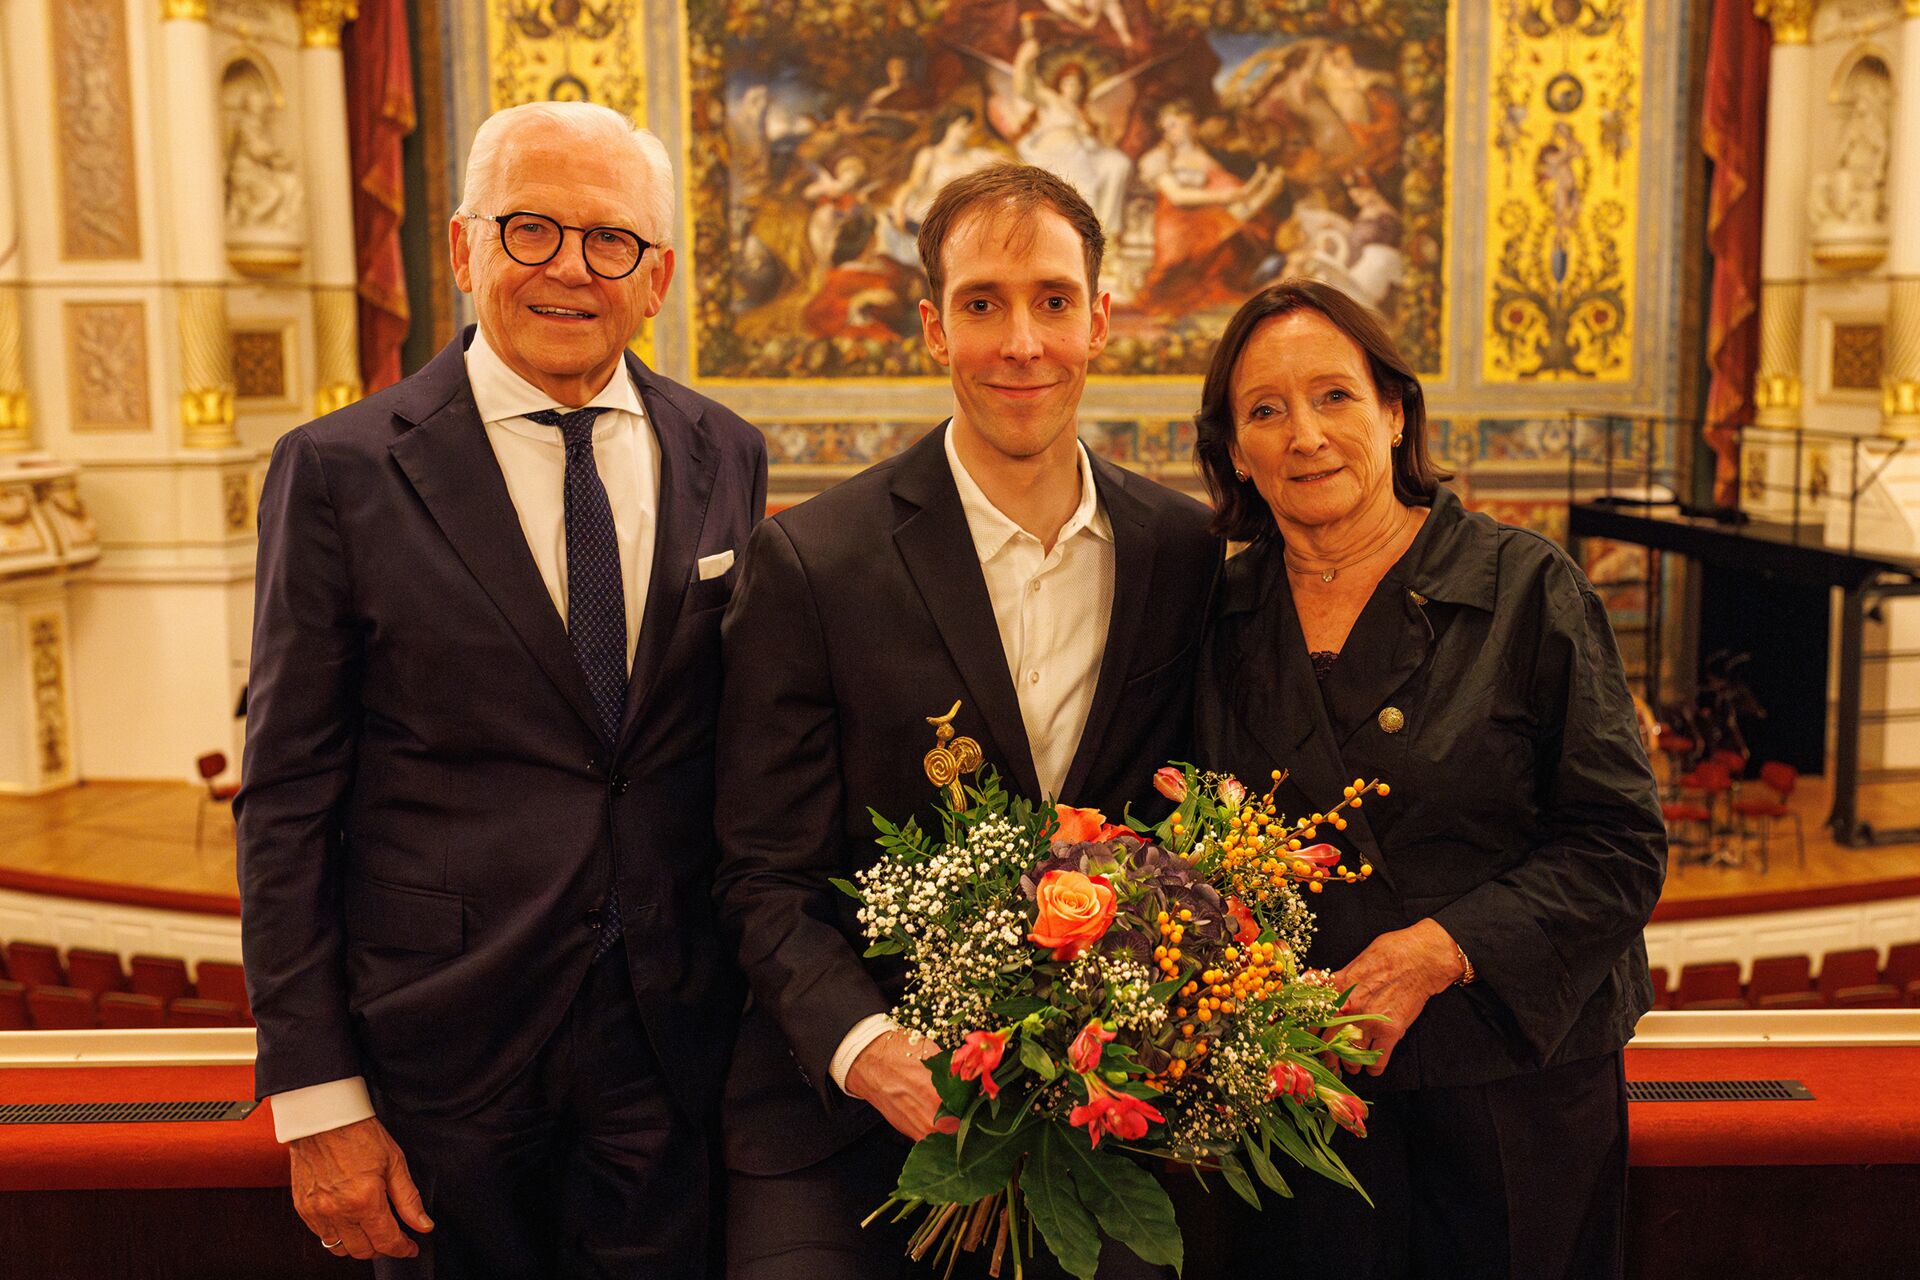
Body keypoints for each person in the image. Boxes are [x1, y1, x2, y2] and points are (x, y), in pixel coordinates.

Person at [237, 100, 767, 1277]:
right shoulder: (336, 470)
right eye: (532, 229)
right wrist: (319, 1098)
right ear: (467, 247)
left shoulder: (725, 449)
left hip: (670, 1050)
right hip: (440, 1057)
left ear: (659, 274)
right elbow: (283, 802)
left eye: (609, 239)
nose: (569, 268)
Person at [714, 164, 1220, 1278]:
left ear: (1101, 318)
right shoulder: (813, 560)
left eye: (1051, 299)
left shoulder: (1183, 553)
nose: (1021, 343)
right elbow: (762, 874)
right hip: (840, 1111)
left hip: (1095, 1109)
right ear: (935, 329)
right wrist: (868, 1046)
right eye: (984, 304)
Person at [1188, 278, 1665, 1278]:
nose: (1305, 434)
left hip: (1510, 1098)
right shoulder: (1210, 615)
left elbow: (1620, 849)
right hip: (1289, 1113)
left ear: (1394, 410)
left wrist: (1442, 948)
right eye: (1265, 411)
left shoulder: (1526, 587)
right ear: (1234, 449)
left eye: (1334, 396)